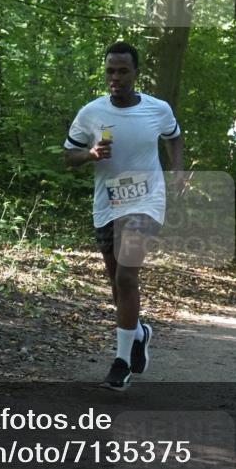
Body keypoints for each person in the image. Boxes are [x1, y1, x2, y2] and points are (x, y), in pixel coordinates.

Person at [63, 41, 183, 391]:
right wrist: (90, 154)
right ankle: (139, 332)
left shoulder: (157, 109)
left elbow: (174, 136)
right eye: (110, 71)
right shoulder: (91, 113)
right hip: (108, 204)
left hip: (147, 199)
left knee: (128, 277)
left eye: (122, 71)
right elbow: (68, 157)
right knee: (118, 283)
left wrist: (177, 171)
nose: (115, 77)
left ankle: (120, 362)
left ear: (136, 73)